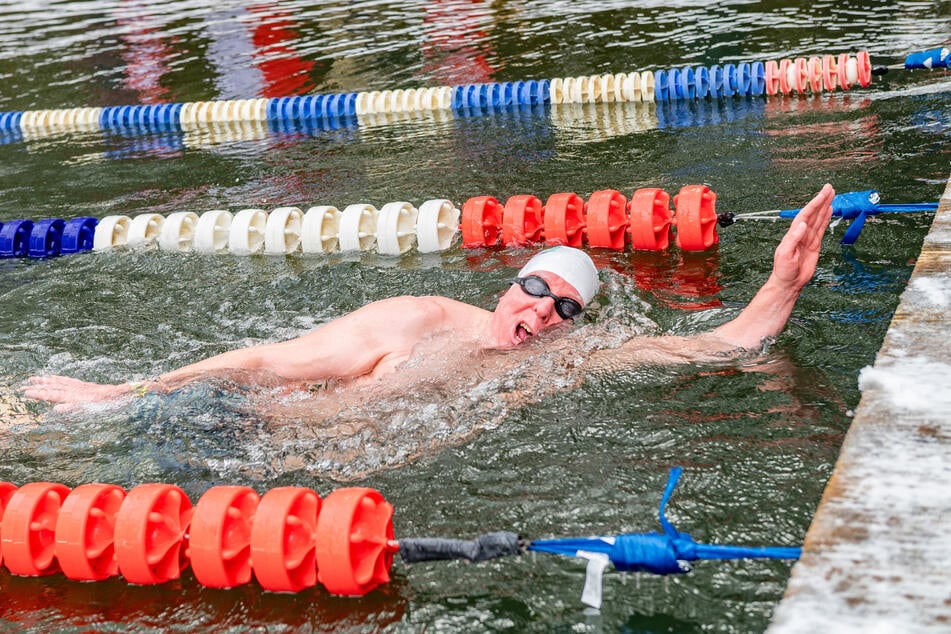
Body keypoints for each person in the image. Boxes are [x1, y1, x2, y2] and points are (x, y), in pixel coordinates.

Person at [22, 184, 836, 406]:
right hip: (228, 431)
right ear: (503, 285)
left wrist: (782, 283)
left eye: (565, 308)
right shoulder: (413, 320)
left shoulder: (561, 366)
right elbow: (269, 361)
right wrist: (121, 393)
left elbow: (723, 343)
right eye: (534, 290)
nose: (543, 311)